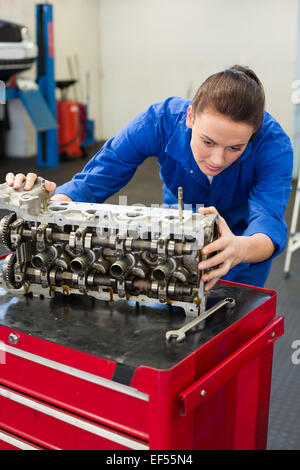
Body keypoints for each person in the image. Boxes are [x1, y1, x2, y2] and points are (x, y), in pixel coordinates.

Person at [5, 65, 293, 291]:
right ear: (190, 117)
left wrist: (239, 248)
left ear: (252, 137)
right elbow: (94, 180)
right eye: (207, 142)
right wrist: (47, 206)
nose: (217, 160)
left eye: (235, 148)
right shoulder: (158, 122)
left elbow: (268, 223)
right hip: (175, 236)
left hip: (238, 249)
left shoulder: (274, 146)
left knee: (231, 334)